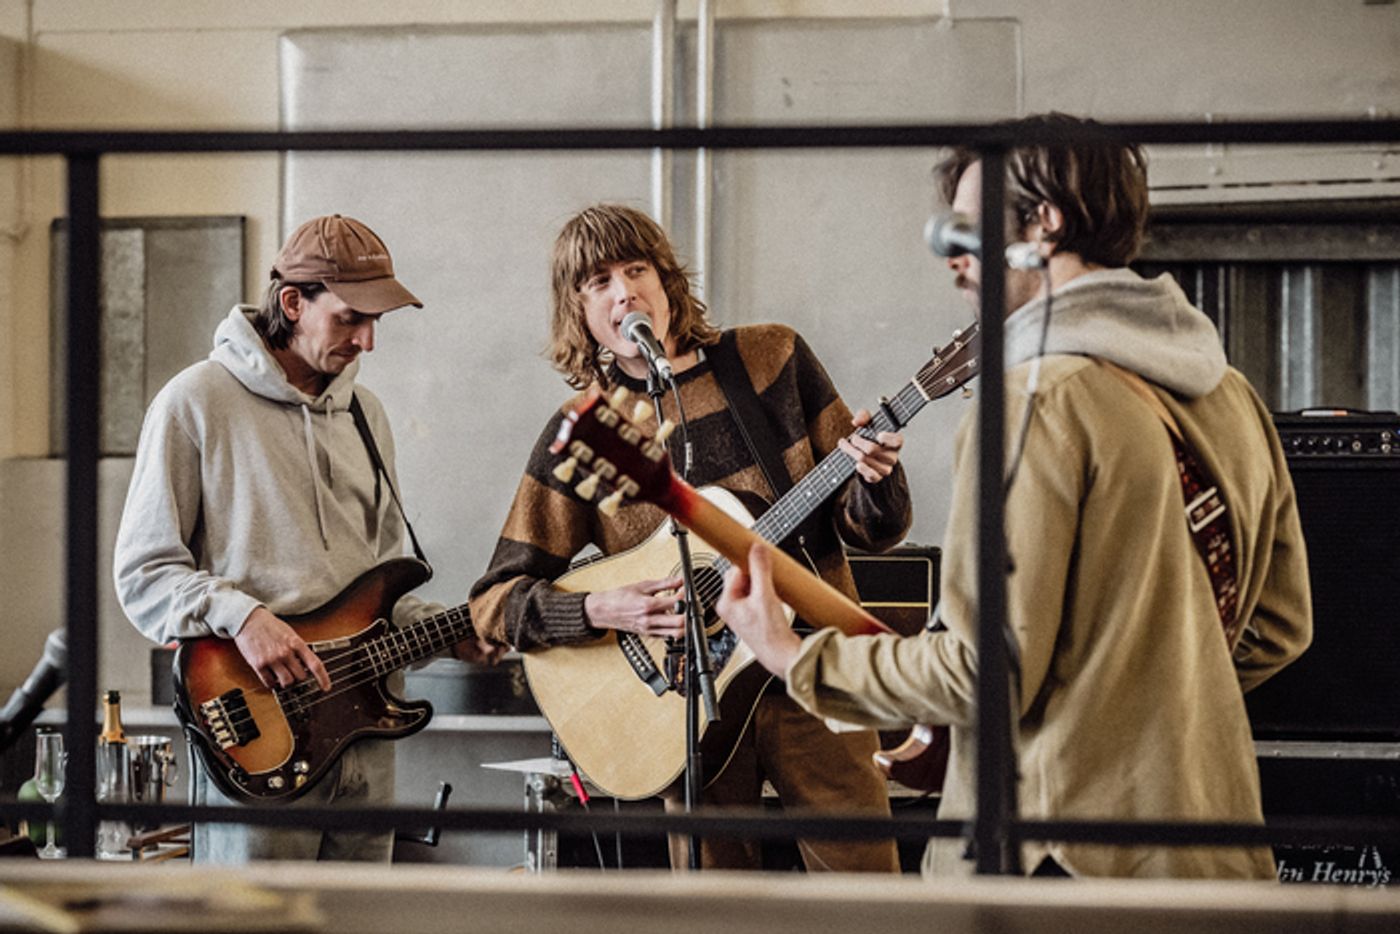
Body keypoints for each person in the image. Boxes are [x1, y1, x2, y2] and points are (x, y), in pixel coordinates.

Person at [717, 114, 1313, 879]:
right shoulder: (1229, 393)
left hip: (1059, 865)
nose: (954, 264)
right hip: (1213, 852)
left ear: (1044, 222)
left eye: (965, 232)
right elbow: (1279, 627)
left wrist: (792, 654)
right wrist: (1147, 701)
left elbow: (979, 671)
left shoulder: (1035, 400)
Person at [470, 203, 912, 871]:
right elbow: (494, 603)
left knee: (870, 894)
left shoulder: (772, 359)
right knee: (718, 912)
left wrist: (876, 475)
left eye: (637, 269)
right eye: (598, 281)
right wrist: (599, 608)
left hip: (814, 670)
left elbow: (871, 529)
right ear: (578, 310)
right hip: (685, 706)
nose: (625, 292)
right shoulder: (586, 433)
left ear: (666, 280)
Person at [114, 214, 498, 863]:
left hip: (368, 753)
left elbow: (379, 582)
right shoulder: (195, 401)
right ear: (293, 302)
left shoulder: (365, 415)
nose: (369, 341)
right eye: (351, 318)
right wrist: (243, 617)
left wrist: (451, 632)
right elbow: (142, 574)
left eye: (378, 321)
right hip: (257, 747)